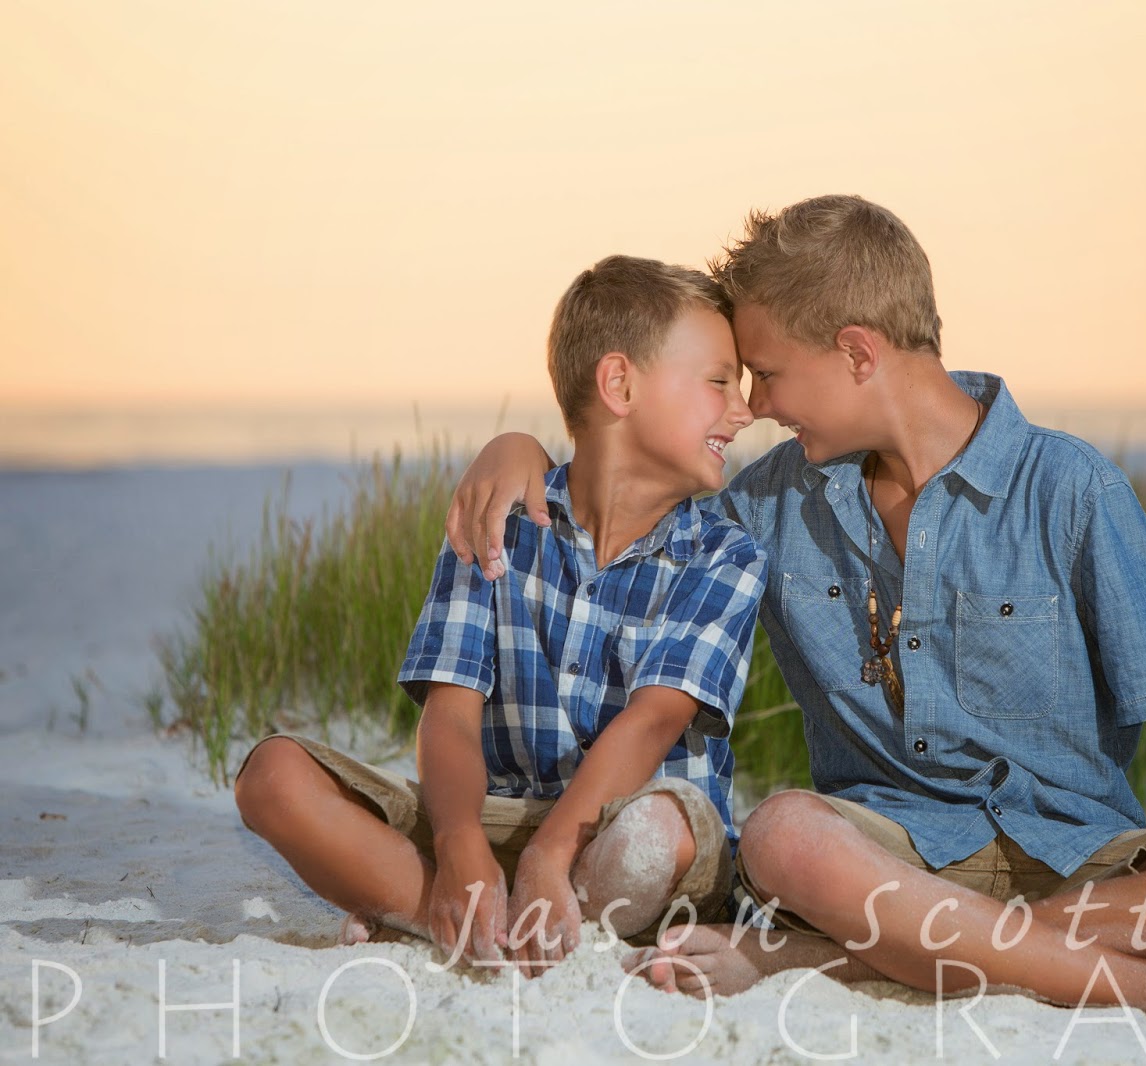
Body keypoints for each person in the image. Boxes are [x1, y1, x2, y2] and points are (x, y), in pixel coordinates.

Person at [443, 196, 1146, 1028]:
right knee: (785, 832)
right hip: (885, 858)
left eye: (771, 374)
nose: (758, 406)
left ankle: (820, 960)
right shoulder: (769, 505)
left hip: (1082, 862)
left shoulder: (1070, 488)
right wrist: (519, 449)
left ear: (858, 352)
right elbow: (624, 503)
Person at [233, 255, 767, 974]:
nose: (743, 408)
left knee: (655, 835)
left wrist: (552, 852)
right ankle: (454, 915)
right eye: (719, 382)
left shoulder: (725, 555)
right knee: (272, 776)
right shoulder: (498, 520)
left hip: (633, 828)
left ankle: (493, 916)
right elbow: (449, 715)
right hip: (501, 820)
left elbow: (652, 722)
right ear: (619, 384)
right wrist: (458, 843)